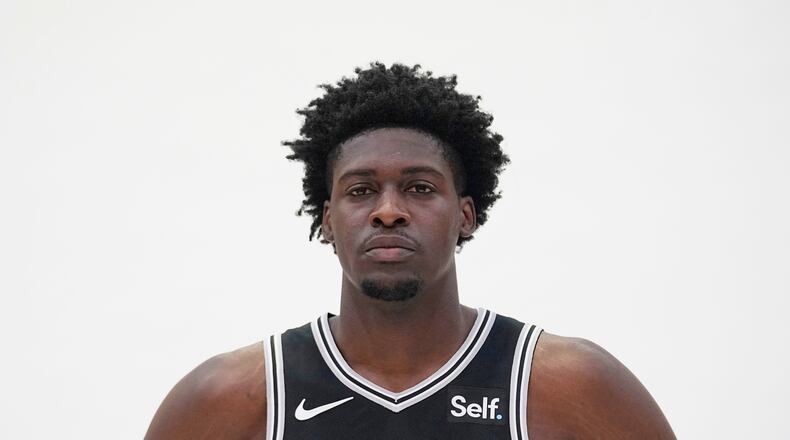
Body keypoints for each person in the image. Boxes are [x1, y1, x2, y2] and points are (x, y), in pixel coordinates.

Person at [145, 63, 676, 439]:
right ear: (327, 221)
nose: (388, 211)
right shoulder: (232, 397)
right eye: (360, 191)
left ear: (465, 215)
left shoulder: (570, 386)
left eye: (420, 188)